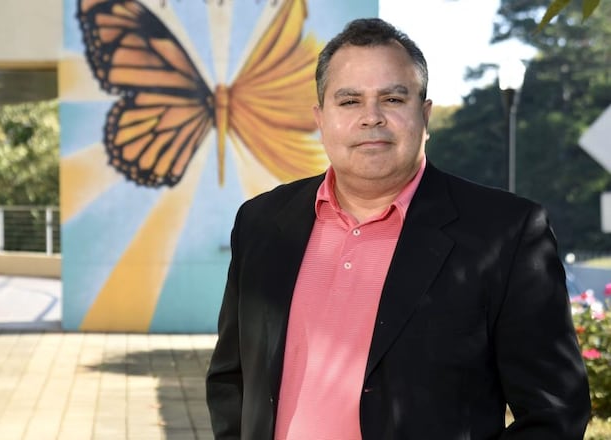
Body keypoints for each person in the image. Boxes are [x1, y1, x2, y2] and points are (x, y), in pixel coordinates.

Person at [205, 17, 590, 440]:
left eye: (392, 98)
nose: (371, 118)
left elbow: (554, 413)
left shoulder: (506, 233)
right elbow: (232, 379)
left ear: (424, 115)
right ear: (320, 118)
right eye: (349, 101)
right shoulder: (261, 222)